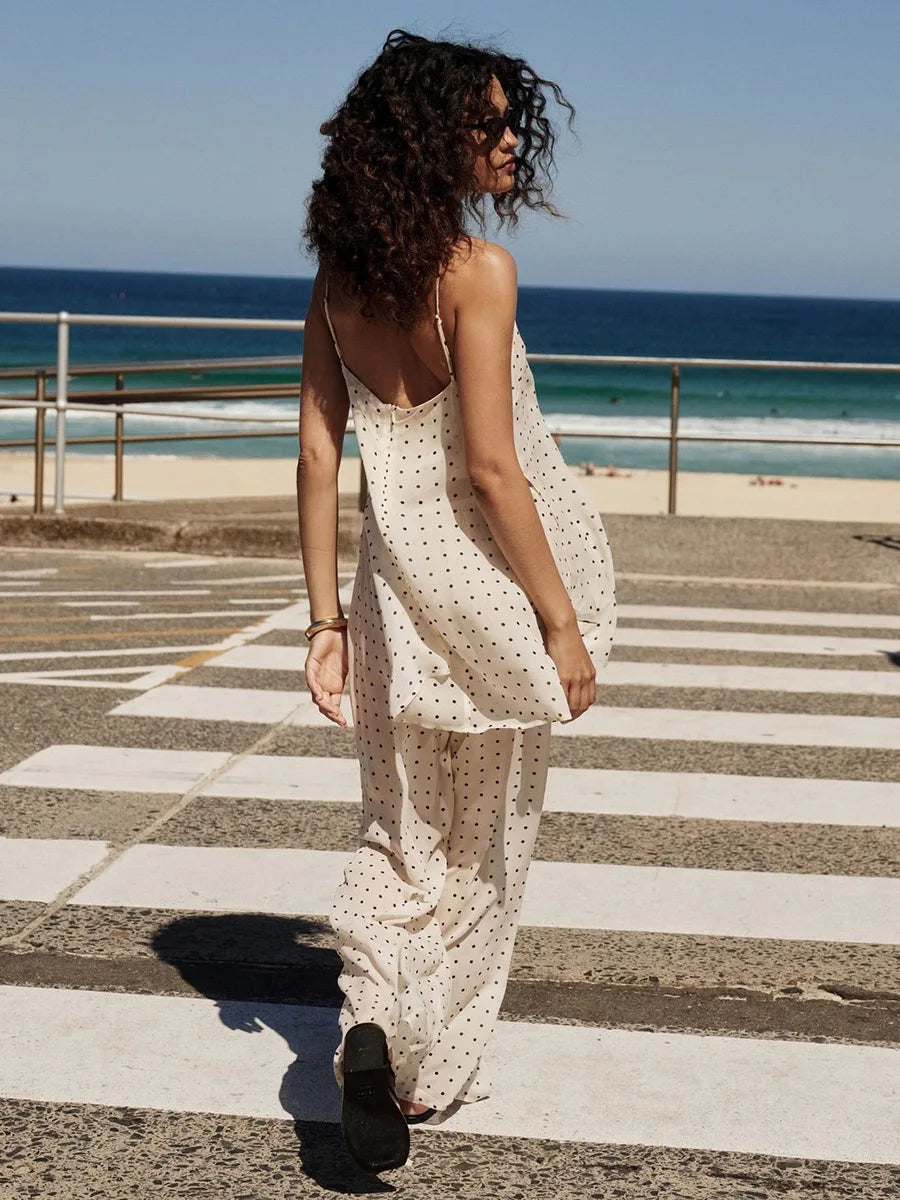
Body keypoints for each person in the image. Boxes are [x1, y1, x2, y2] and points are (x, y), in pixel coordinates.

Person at [297, 28, 616, 1173]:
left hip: (390, 601)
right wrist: (563, 623)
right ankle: (422, 1076)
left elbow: (319, 460)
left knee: (397, 838)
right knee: (483, 845)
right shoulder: (476, 275)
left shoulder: (339, 283)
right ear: (436, 143)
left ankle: (371, 1022)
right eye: (489, 122)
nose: (510, 139)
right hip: (486, 600)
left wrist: (325, 620)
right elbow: (492, 466)